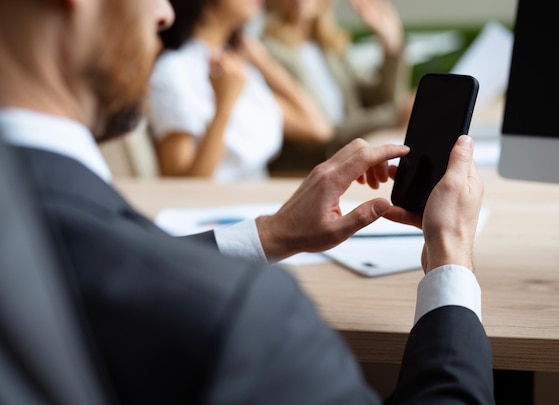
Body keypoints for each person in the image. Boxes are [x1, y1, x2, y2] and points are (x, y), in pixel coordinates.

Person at [0, 0, 494, 404]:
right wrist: (450, 257)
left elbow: (97, 266)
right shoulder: (246, 314)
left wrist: (272, 233)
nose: (167, 14)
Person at [148, 0, 331, 181]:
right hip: (226, 203)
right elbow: (182, 188)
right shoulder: (174, 71)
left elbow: (317, 127)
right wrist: (224, 105)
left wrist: (263, 62)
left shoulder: (236, 64)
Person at [262, 0, 415, 173]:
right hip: (310, 166)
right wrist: (396, 115)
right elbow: (324, 130)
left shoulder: (330, 49)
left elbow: (384, 97)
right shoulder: (268, 52)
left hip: (346, 152)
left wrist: (391, 43)